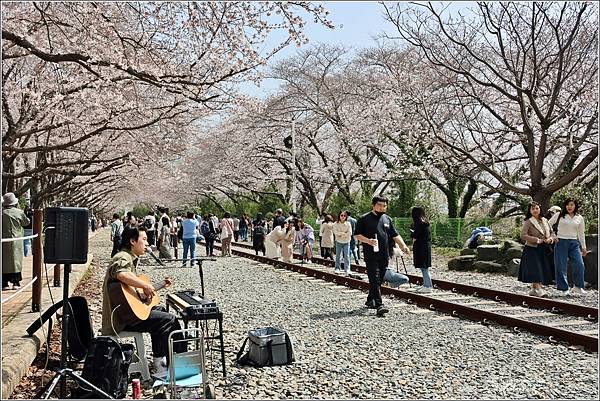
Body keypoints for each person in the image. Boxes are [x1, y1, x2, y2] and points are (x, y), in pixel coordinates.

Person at [101, 226, 186, 373]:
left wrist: (150, 290)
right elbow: (121, 274)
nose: (147, 244)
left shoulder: (129, 258)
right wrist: (145, 285)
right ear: (132, 241)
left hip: (124, 314)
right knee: (169, 319)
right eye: (144, 239)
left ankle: (161, 361)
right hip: (119, 321)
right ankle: (179, 363)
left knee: (160, 311)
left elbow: (129, 293)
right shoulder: (123, 257)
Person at [355, 196, 410, 317]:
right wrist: (368, 241)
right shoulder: (364, 218)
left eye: (384, 205)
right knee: (374, 278)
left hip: (385, 255)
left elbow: (395, 235)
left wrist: (403, 246)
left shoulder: (387, 219)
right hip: (371, 255)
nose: (382, 207)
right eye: (380, 205)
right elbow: (357, 235)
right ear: (373, 205)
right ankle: (379, 305)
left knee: (378, 279)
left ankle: (370, 300)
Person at [548, 198, 588, 296]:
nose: (569, 207)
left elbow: (581, 233)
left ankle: (578, 286)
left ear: (575, 206)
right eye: (568, 205)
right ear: (565, 206)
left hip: (574, 243)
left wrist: (583, 247)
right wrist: (553, 235)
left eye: (572, 205)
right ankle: (564, 288)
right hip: (561, 242)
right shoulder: (559, 215)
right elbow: (548, 224)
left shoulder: (579, 218)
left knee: (579, 264)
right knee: (561, 266)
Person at [518, 201, 556, 297]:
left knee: (542, 268)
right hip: (532, 248)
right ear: (530, 210)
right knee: (535, 269)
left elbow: (552, 233)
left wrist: (550, 239)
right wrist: (536, 240)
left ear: (540, 209)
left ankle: (534, 289)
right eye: (533, 209)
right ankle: (539, 289)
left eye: (537, 208)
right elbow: (523, 235)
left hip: (544, 248)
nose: (535, 210)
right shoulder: (528, 221)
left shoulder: (545, 220)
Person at [2, 193, 30, 290]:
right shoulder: (19, 212)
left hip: (3, 240)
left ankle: (4, 283)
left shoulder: (1, 212)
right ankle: (16, 282)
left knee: (3, 261)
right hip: (16, 240)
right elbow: (26, 223)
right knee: (15, 261)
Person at [410, 207, 434, 293]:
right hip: (425, 247)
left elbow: (415, 235)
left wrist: (412, 233)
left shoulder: (420, 224)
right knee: (425, 267)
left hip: (421, 247)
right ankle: (427, 285)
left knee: (424, 268)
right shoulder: (425, 223)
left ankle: (427, 286)